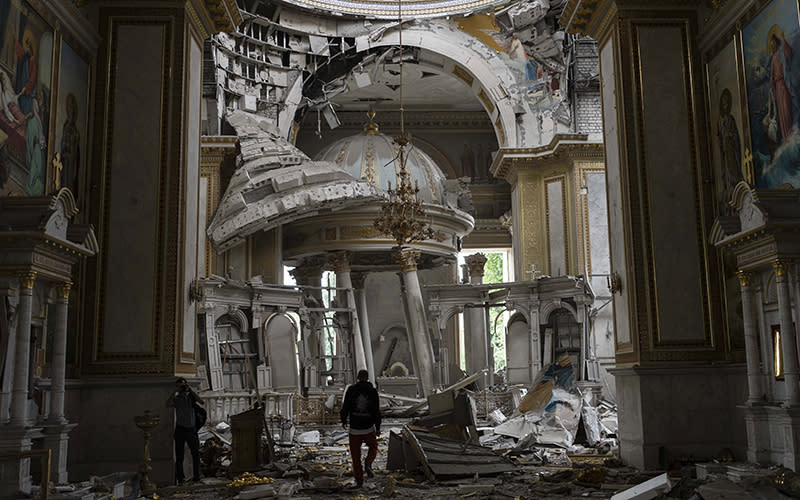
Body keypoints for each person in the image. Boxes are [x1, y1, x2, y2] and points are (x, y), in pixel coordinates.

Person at [340, 369, 381, 488]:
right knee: (373, 447)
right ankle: (368, 462)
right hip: (368, 427)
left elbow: (345, 406)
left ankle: (359, 481)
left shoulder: (351, 390)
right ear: (367, 378)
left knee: (356, 457)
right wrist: (378, 427)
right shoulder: (372, 391)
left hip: (354, 429)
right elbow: (376, 411)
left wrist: (343, 420)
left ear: (357, 377)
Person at [166, 377, 203, 485]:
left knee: (195, 454)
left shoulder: (191, 397)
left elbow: (201, 402)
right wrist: (175, 391)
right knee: (179, 455)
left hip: (191, 430)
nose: (183, 387)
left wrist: (190, 390)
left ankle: (197, 477)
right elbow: (167, 404)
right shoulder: (177, 399)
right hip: (180, 430)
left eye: (184, 385)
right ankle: (180, 478)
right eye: (181, 385)